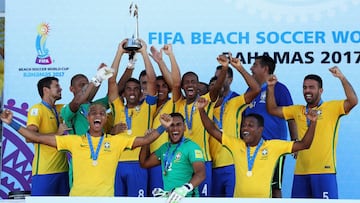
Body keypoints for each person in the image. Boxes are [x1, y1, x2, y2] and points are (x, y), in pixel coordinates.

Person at [1, 104, 172, 196]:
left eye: (102, 113)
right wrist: (12, 123)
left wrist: (163, 127)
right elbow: (37, 138)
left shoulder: (117, 141)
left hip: (105, 200)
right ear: (88, 118)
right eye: (93, 113)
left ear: (105, 119)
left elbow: (147, 139)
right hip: (78, 199)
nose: (98, 115)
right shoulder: (74, 141)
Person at [197, 97, 319, 198]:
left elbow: (304, 144)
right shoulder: (236, 144)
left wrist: (313, 123)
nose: (245, 128)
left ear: (260, 130)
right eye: (244, 125)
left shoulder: (273, 146)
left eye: (250, 125)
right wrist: (201, 110)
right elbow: (212, 130)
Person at [266, 66, 358, 199]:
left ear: (321, 90)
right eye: (304, 87)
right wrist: (270, 87)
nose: (307, 91)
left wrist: (342, 78)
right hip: (301, 173)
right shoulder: (297, 110)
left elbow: (353, 101)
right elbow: (272, 109)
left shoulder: (332, 108)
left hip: (324, 172)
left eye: (311, 87)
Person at [171, 54, 228, 197]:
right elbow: (175, 82)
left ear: (198, 85)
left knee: (203, 200)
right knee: (180, 197)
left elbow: (217, 87)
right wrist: (170, 55)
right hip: (182, 161)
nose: (190, 84)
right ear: (183, 87)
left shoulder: (206, 100)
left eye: (193, 82)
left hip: (203, 160)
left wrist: (225, 68)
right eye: (187, 82)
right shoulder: (179, 103)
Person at [108, 39, 157, 197]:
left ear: (141, 92)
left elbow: (152, 80)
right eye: (128, 89)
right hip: (116, 163)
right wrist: (119, 52)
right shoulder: (117, 107)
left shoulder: (147, 108)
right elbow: (111, 80)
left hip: (138, 164)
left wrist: (143, 53)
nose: (132, 92)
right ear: (123, 93)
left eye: (136, 89)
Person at [243, 55, 298, 198]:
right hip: (252, 148)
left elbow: (290, 116)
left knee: (274, 187)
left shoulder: (279, 89)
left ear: (265, 69)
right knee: (252, 185)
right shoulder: (250, 90)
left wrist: (295, 140)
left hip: (274, 147)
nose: (251, 68)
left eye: (255, 65)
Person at [209, 54, 260, 197]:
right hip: (211, 164)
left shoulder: (235, 102)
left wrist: (239, 67)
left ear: (229, 80)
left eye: (222, 77)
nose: (219, 82)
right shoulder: (205, 105)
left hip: (232, 162)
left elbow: (256, 89)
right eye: (216, 79)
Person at [60, 64, 114, 188]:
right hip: (80, 161)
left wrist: (107, 73)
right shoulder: (67, 109)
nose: (85, 87)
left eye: (86, 84)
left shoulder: (95, 106)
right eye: (81, 85)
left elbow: (114, 94)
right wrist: (97, 79)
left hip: (101, 158)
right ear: (71, 89)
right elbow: (78, 101)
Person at [139, 112, 206, 202]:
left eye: (179, 125)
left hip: (188, 199)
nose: (175, 128)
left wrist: (185, 189)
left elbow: (201, 173)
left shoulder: (192, 147)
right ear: (166, 129)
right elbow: (144, 163)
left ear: (184, 127)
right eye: (171, 125)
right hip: (171, 199)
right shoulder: (164, 148)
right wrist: (147, 140)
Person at [25, 76, 69, 196]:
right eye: (57, 86)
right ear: (46, 90)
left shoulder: (60, 109)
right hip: (45, 171)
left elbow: (80, 101)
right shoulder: (37, 109)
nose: (61, 89)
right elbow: (29, 137)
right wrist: (56, 134)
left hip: (64, 170)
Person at [146, 44, 180, 195]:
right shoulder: (148, 104)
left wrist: (161, 61)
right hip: (150, 160)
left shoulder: (173, 103)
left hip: (168, 159)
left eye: (164, 86)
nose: (160, 89)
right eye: (157, 86)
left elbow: (175, 84)